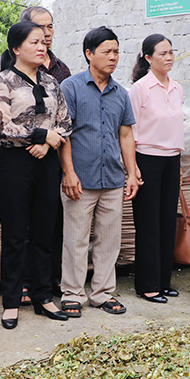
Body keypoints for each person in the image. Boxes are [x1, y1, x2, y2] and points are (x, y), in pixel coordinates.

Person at [0, 21, 71, 329]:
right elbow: (2, 126)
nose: (42, 47)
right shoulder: (3, 81)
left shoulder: (52, 82)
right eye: (34, 42)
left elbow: (65, 123)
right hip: (15, 164)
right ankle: (10, 302)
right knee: (13, 235)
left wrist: (50, 142)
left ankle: (44, 296)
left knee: (44, 232)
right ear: (16, 48)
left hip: (47, 163)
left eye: (43, 42)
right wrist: (42, 135)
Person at [59, 27, 139, 317]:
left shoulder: (121, 93)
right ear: (89, 54)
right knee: (76, 239)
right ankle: (72, 293)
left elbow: (126, 135)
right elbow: (63, 134)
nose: (113, 57)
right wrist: (68, 173)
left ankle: (103, 293)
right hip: (80, 179)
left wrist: (131, 173)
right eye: (107, 51)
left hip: (113, 179)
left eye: (116, 51)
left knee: (108, 240)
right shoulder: (71, 87)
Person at [18, 5, 71, 304]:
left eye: (50, 27)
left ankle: (51, 282)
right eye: (40, 29)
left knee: (52, 222)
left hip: (54, 151)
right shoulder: (13, 64)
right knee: (25, 225)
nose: (46, 34)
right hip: (24, 153)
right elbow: (14, 115)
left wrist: (50, 142)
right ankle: (25, 283)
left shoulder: (61, 70)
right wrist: (37, 139)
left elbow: (64, 116)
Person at [129, 34, 183, 303]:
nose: (169, 57)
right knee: (148, 224)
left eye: (171, 52)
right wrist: (133, 167)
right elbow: (130, 130)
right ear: (148, 58)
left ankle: (163, 281)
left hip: (172, 160)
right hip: (147, 159)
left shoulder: (177, 87)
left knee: (166, 222)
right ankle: (147, 285)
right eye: (163, 53)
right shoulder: (140, 89)